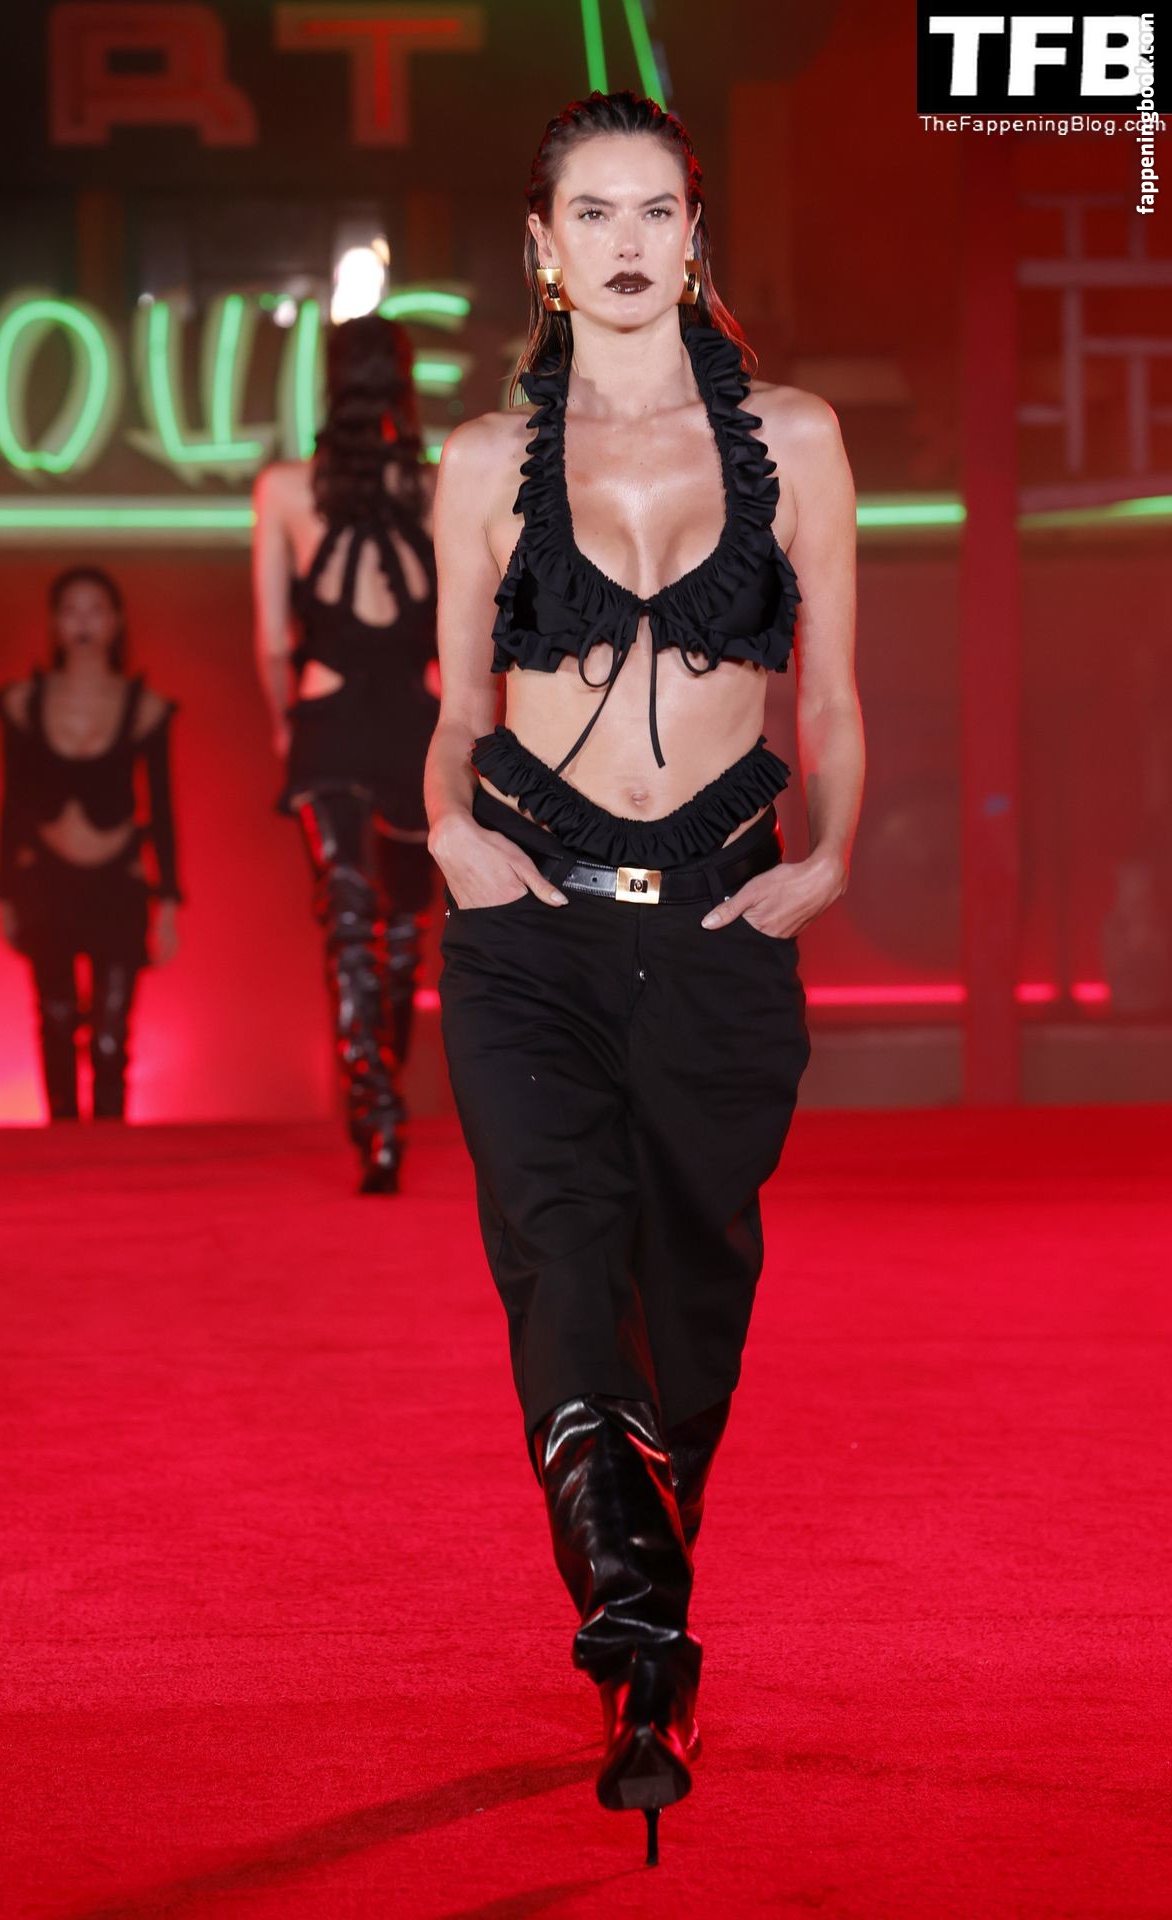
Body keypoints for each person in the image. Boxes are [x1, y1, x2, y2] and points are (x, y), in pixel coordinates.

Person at [426, 90, 864, 1862]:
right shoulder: (482, 460)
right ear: (543, 248)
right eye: (591, 214)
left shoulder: (798, 437)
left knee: (689, 1309)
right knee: (560, 1253)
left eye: (655, 211)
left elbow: (834, 693)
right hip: (527, 919)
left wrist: (831, 857)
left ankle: (644, 1615)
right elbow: (456, 705)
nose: (625, 242)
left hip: (720, 928)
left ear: (695, 237)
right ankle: (636, 1637)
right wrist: (447, 828)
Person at [253, 312, 440, 1195]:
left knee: (349, 917)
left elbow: (270, 641)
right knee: (400, 928)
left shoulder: (285, 488)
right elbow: (466, 630)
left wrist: (283, 724)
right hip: (416, 719)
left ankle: (375, 1111)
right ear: (405, 384)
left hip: (327, 718)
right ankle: (382, 1093)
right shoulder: (438, 486)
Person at [0, 566, 182, 1122]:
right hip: (46, 879)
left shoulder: (145, 707)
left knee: (111, 1028)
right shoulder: (23, 702)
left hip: (117, 879)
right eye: (71, 611)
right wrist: (3, 890)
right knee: (54, 1016)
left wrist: (169, 901)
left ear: (116, 622)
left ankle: (110, 1140)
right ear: (54, 623)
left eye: (95, 610)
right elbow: (10, 801)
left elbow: (162, 809)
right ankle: (60, 1137)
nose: (83, 624)